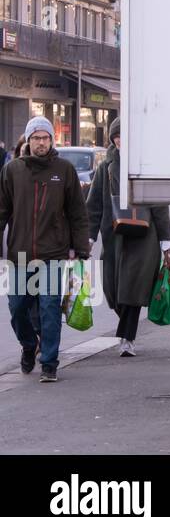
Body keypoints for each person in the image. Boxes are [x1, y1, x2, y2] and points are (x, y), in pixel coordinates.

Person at [1, 117, 91, 381]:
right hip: (20, 253)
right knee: (17, 307)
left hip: (54, 252)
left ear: (52, 140)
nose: (41, 142)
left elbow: (77, 212)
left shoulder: (64, 170)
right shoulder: (12, 171)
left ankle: (49, 363)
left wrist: (80, 247)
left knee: (50, 307)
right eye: (36, 138)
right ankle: (29, 345)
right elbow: (2, 211)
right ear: (28, 141)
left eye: (46, 137)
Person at [86, 119, 170, 357]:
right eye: (117, 136)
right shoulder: (106, 167)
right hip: (114, 236)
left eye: (126, 136)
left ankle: (126, 338)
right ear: (113, 139)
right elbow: (93, 206)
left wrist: (166, 239)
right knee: (113, 292)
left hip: (144, 236)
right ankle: (125, 329)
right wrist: (89, 236)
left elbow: (159, 204)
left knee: (132, 289)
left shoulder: (147, 164)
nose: (121, 140)